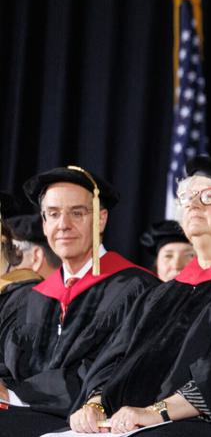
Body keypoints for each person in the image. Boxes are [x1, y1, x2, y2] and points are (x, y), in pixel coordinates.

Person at [69, 155, 211, 436]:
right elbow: (115, 358)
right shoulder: (159, 295)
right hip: (127, 423)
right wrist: (95, 405)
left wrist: (157, 412)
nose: (192, 204)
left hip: (201, 426)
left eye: (208, 196)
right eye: (186, 196)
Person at [0, 166, 159, 434]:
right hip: (23, 412)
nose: (63, 224)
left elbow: (116, 371)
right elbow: (10, 363)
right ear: (44, 223)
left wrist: (17, 393)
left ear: (101, 219)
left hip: (89, 422)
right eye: (53, 214)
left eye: (77, 213)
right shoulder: (33, 297)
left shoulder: (137, 289)